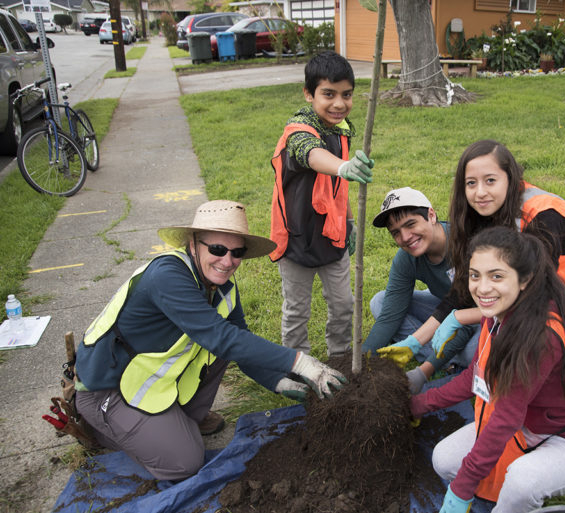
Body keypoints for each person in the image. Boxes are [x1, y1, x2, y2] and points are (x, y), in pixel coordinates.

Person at [73, 200, 345, 481]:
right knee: (185, 461)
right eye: (217, 249)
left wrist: (279, 382)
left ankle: (174, 423)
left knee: (227, 344)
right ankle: (100, 428)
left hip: (149, 380)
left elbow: (240, 342)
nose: (227, 261)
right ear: (193, 244)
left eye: (237, 252)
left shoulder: (222, 284)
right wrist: (302, 363)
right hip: (108, 388)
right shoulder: (168, 275)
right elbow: (220, 337)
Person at [411, 226, 565, 512]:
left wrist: (462, 488)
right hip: (528, 427)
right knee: (443, 459)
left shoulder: (541, 337)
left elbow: (506, 416)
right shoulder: (496, 313)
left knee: (520, 482)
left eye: (497, 276)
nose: (482, 288)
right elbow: (475, 376)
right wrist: (419, 404)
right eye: (475, 275)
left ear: (524, 279)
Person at [430, 139, 565, 359]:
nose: (479, 192)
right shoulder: (485, 211)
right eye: (471, 183)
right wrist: (415, 341)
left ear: (510, 177)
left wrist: (460, 317)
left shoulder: (543, 215)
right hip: (556, 281)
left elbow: (533, 294)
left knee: (544, 354)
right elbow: (463, 286)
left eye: (490, 181)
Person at [269, 50, 374, 357]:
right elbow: (311, 153)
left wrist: (350, 221)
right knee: (297, 310)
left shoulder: (341, 130)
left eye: (347, 95)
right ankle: (297, 364)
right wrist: (343, 166)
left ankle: (340, 357)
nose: (339, 103)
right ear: (308, 94)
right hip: (296, 240)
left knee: (344, 306)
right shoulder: (298, 130)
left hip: (334, 237)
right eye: (328, 94)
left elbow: (337, 186)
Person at [361, 187, 478, 394]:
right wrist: (361, 362)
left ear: (431, 215)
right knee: (379, 302)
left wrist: (424, 368)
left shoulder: (465, 243)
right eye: (395, 232)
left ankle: (446, 360)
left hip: (482, 314)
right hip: (446, 307)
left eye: (410, 224)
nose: (405, 237)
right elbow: (390, 316)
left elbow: (464, 314)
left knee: (472, 352)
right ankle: (448, 359)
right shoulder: (406, 257)